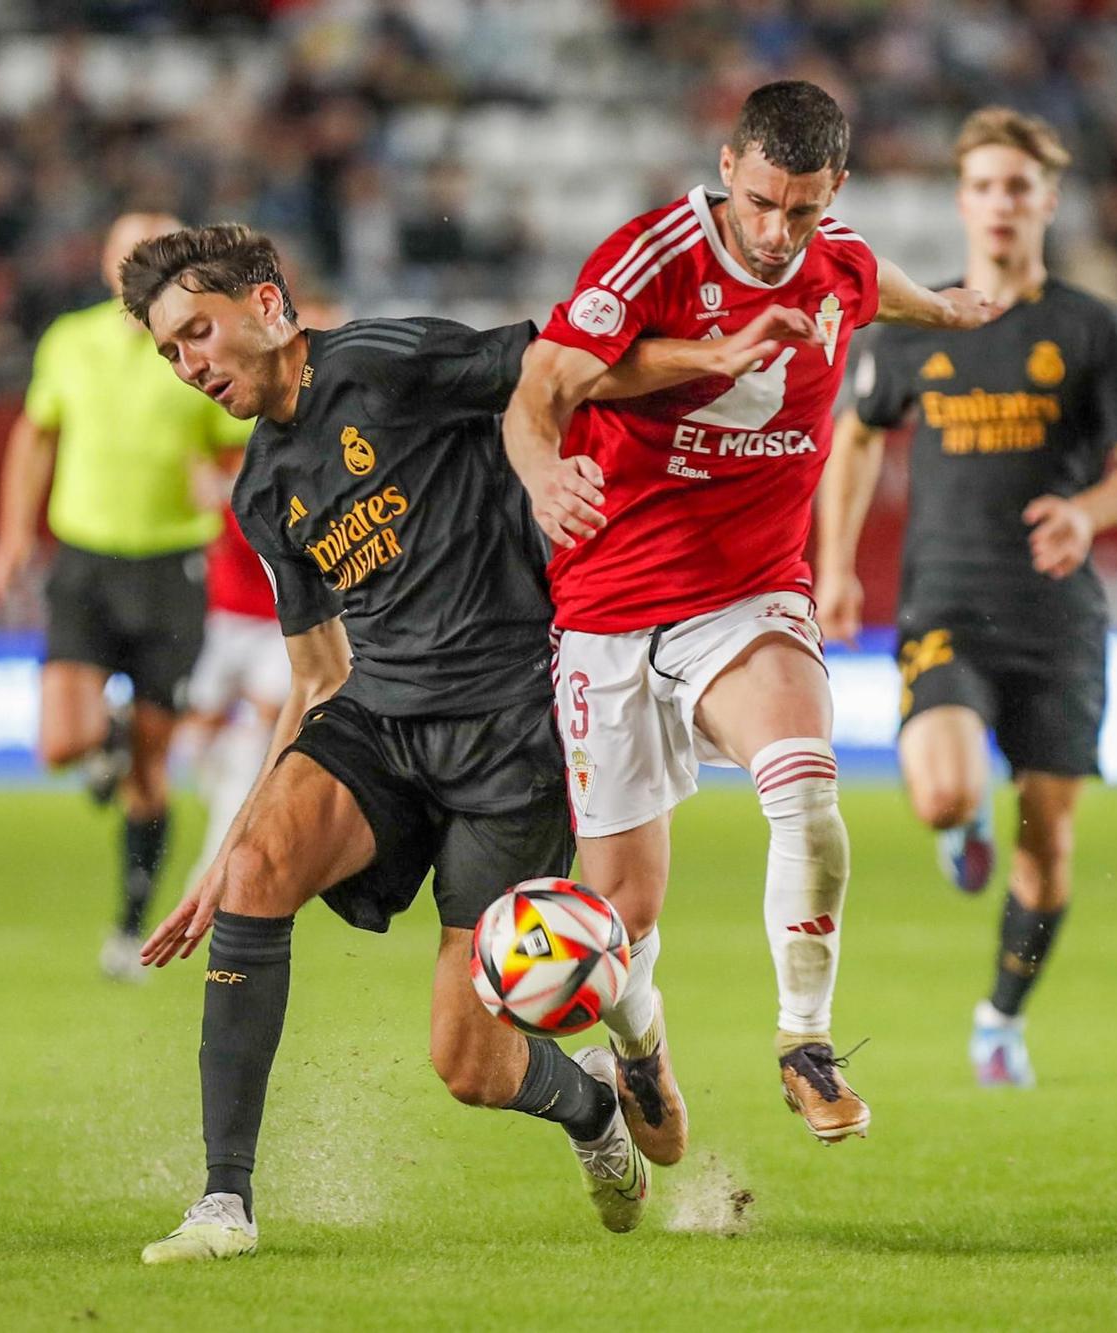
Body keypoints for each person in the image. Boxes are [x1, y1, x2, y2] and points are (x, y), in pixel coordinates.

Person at [121, 223, 790, 1260]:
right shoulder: (262, 491)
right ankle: (224, 1203)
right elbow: (315, 677)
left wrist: (711, 356)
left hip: (510, 739)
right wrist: (224, 857)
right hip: (379, 721)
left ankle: (590, 1109)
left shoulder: (387, 363)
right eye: (169, 352)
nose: (188, 365)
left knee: (470, 1064)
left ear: (266, 303)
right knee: (256, 866)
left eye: (195, 332)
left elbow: (561, 369)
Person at [502, 79, 1002, 1153]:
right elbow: (543, 384)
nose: (778, 234)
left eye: (804, 210)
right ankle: (638, 1053)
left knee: (807, 791)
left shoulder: (837, 262)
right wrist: (547, 475)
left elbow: (878, 285)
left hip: (744, 594)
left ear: (835, 193)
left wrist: (951, 309)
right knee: (620, 920)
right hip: (605, 607)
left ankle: (804, 1043)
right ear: (726, 168)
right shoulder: (651, 257)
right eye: (763, 202)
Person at [817, 107, 1117, 1089]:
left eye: (1017, 186)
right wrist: (836, 565)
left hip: (1056, 619)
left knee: (1047, 844)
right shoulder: (916, 324)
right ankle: (960, 818)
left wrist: (1088, 513)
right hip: (943, 602)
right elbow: (851, 439)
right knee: (940, 788)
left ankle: (997, 1019)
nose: (1000, 202)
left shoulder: (1090, 328)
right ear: (961, 200)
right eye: (982, 184)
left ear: (1046, 200)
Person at [0, 212, 253, 983]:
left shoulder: (204, 349)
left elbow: (244, 451)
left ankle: (128, 927)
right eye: (128, 253)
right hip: (86, 558)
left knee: (149, 768)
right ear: (108, 265)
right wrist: (11, 535)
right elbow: (35, 436)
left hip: (171, 568)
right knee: (60, 742)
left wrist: (221, 486)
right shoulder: (70, 342)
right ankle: (101, 738)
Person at [180, 495, 291, 888]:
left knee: (266, 719)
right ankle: (224, 787)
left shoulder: (255, 491)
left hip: (274, 626)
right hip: (225, 619)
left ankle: (221, 846)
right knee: (201, 727)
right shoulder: (223, 488)